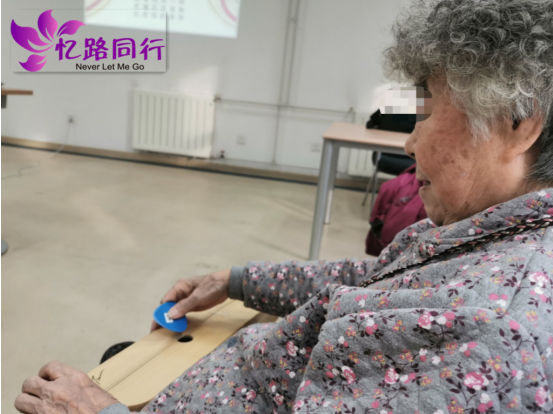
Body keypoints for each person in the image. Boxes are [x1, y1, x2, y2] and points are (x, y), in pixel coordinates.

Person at [15, 0, 553, 413]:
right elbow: (381, 282)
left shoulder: (484, 333)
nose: (410, 143)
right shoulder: (493, 240)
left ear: (517, 122)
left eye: (427, 114)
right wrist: (237, 280)